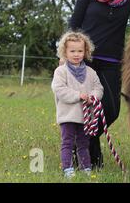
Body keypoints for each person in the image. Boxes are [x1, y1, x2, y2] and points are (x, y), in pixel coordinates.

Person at [69, 0, 130, 169]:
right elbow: (74, 25)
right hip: (86, 61)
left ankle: (84, 143)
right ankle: (91, 158)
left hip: (112, 61)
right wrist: (66, 57)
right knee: (88, 108)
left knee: (111, 110)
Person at [51, 31, 104, 178]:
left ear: (85, 52)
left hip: (85, 117)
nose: (76, 54)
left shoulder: (91, 72)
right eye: (72, 51)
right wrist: (77, 95)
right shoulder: (61, 72)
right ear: (65, 52)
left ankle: (85, 168)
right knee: (67, 143)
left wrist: (92, 97)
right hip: (68, 116)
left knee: (83, 143)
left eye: (80, 51)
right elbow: (59, 89)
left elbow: (98, 88)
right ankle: (67, 169)